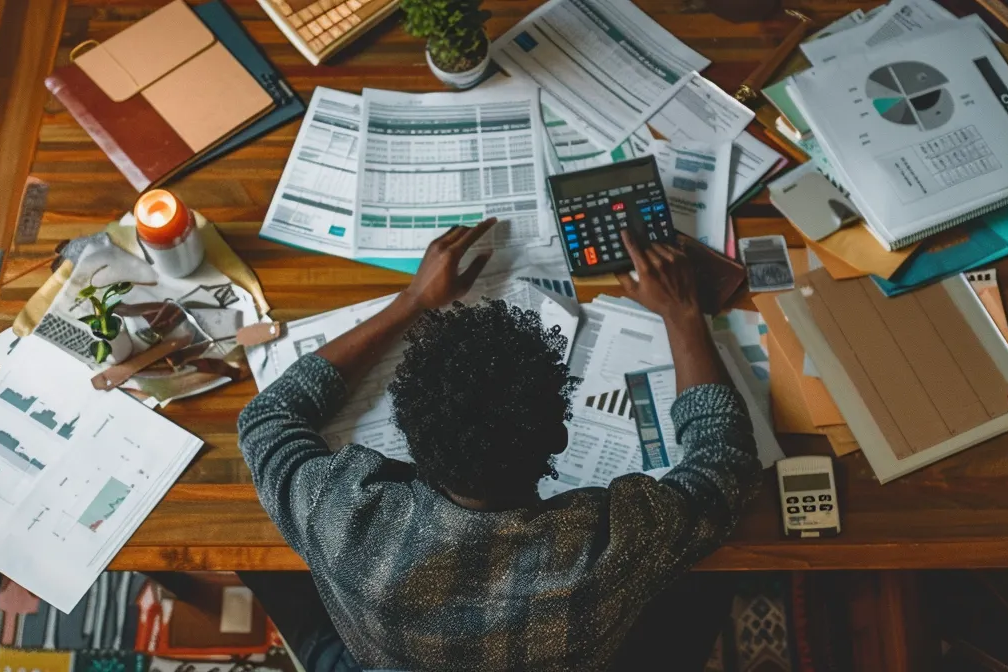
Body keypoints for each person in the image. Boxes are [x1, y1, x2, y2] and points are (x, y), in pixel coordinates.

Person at [234, 218, 761, 671]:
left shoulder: (341, 514)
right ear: (559, 435)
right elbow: (723, 466)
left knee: (258, 569)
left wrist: (413, 301)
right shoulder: (613, 543)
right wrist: (684, 314)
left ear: (411, 443)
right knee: (714, 581)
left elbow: (268, 417)